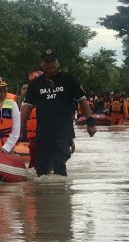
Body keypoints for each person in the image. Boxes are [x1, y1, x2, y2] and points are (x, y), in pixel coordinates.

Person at [20, 49, 97, 177]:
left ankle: (61, 194)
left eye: (53, 61)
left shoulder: (69, 80)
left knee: (59, 165)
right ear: (41, 64)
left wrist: (90, 122)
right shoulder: (35, 84)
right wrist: (21, 128)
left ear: (58, 62)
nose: (51, 64)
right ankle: (44, 195)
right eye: (47, 61)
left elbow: (83, 101)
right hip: (43, 133)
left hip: (63, 132)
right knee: (42, 171)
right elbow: (27, 107)